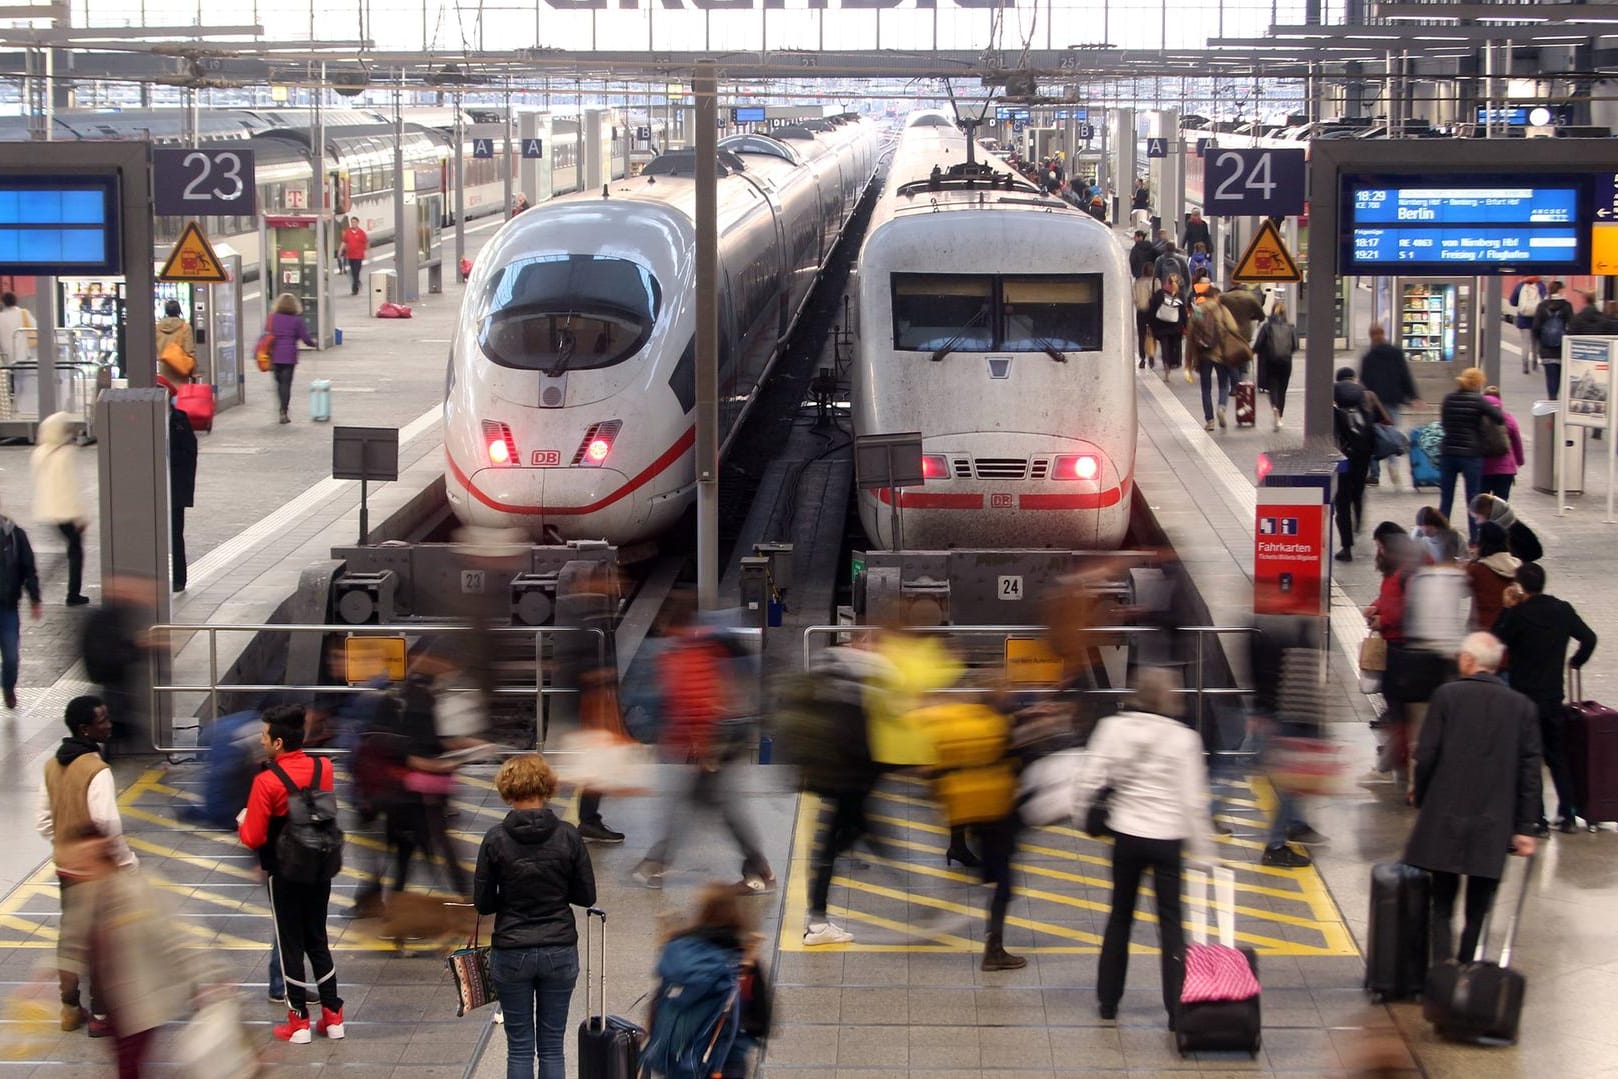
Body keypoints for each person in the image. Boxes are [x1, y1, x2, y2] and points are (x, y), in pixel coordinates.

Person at [1073, 669, 1216, 1025]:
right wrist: (1206, 854)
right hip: (1168, 840)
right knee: (1170, 924)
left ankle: (1108, 1001)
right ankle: (1175, 1008)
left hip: (1126, 836)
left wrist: (1083, 820)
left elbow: (1089, 780)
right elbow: (1192, 803)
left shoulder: (1113, 729)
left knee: (1120, 916)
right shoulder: (1184, 739)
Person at [1404, 632, 1540, 965]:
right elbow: (1530, 771)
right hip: (1494, 822)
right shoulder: (1522, 707)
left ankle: (1441, 972)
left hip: (1446, 815)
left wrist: (1421, 797)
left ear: (1468, 660)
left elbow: (1427, 756)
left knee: (1442, 902)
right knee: (1479, 907)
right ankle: (1466, 969)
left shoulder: (1447, 697)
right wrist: (1525, 828)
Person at [634, 598, 774, 893]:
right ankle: (757, 868)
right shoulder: (706, 645)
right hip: (722, 739)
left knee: (710, 806)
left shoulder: (685, 653)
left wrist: (702, 747)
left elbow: (696, 702)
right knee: (709, 804)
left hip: (713, 744)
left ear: (670, 626)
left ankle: (657, 863)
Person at [474, 754, 595, 1079]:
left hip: (512, 951)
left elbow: (483, 904)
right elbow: (587, 896)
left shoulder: (495, 838)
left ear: (507, 790)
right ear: (546, 788)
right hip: (559, 949)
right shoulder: (569, 835)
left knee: (520, 1047)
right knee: (553, 1045)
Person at [239, 703, 346, 1044]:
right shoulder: (323, 767)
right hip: (320, 865)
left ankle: (298, 1020)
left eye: (265, 736)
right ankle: (333, 1016)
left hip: (283, 870)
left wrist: (242, 823)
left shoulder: (266, 781)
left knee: (290, 944)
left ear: (279, 743)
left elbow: (254, 836)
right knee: (318, 939)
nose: (262, 740)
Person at [36, 696, 133, 1038]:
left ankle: (69, 1008)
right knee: (102, 942)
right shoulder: (96, 770)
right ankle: (103, 1015)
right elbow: (108, 825)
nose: (108, 724)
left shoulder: (51, 766)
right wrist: (127, 864)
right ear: (85, 729)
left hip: (66, 867)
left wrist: (64, 841)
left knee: (71, 937)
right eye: (102, 720)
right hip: (97, 872)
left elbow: (43, 821)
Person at [1492, 563, 1597, 834]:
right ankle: (1568, 815)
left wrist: (1506, 608)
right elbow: (1589, 638)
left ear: (1520, 586)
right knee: (1557, 756)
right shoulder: (1562, 609)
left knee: (1529, 758)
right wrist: (1576, 661)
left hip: (1524, 698)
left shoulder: (1518, 615)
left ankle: (1536, 820)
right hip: (1552, 697)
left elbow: (1494, 641)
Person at [644, 885, 774, 1079]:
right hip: (725, 1062)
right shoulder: (744, 960)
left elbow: (657, 1005)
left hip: (676, 1059)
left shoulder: (678, 952)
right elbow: (761, 1022)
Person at [1437, 367, 1504, 542]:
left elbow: (1444, 424)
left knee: (1446, 498)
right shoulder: (1479, 400)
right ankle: (1475, 538)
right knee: (1473, 498)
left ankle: (1442, 536)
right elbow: (1499, 417)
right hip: (1471, 454)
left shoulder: (1449, 399)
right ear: (1478, 383)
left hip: (1448, 452)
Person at [31, 411, 89, 606]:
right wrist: (80, 517)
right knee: (75, 552)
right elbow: (70, 486)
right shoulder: (66, 454)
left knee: (64, 553)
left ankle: (38, 586)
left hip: (47, 510)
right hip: (65, 511)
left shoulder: (40, 452)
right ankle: (73, 594)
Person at [1332, 368, 1390, 563]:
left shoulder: (1333, 407)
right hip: (1363, 454)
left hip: (1342, 457)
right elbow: (1385, 419)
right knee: (1358, 490)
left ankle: (1346, 547)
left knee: (1342, 501)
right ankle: (1359, 520)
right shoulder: (1367, 397)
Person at [1358, 324, 1419, 487]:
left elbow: (1364, 381)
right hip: (1393, 400)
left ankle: (1375, 474)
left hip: (1373, 403)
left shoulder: (1368, 356)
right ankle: (1392, 464)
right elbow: (1405, 375)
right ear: (1383, 334)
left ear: (1371, 336)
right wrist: (1413, 396)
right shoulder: (1396, 353)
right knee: (1391, 435)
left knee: (1373, 436)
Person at [0, 504, 41, 709]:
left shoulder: (14, 535)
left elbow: (28, 568)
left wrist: (35, 598)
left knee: (11, 655)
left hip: (7, 607)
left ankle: (8, 688)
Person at [1190, 284, 1238, 432]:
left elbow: (1191, 331)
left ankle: (1210, 421)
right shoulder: (1222, 310)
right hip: (1220, 354)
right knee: (1224, 384)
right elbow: (1233, 328)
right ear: (1216, 296)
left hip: (1204, 354)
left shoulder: (1198, 310)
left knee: (1206, 388)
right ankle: (1221, 408)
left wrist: (1190, 358)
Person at [268, 292, 316, 425]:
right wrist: (313, 344)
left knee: (279, 384)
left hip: (274, 355)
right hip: (289, 357)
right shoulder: (297, 319)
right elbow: (304, 337)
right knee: (286, 385)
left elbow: (268, 333)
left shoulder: (273, 317)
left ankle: (281, 407)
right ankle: (284, 410)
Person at [167, 390, 197, 593]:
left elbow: (189, 453)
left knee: (175, 535)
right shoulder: (145, 423)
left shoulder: (179, 421)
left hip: (175, 489)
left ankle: (179, 579)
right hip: (154, 489)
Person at [1465, 522, 1520, 632]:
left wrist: (1471, 561)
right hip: (1510, 627)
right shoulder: (1518, 567)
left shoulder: (1478, 569)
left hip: (1482, 628)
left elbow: (1462, 592)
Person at [1254, 301, 1297, 430]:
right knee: (1282, 390)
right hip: (1286, 362)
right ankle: (1280, 416)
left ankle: (1274, 407)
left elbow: (1258, 345)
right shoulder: (1290, 327)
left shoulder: (1267, 327)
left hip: (1270, 361)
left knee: (1273, 387)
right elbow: (1295, 346)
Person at [1468, 492, 1542, 563]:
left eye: (1477, 518)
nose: (1476, 522)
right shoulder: (1511, 524)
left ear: (1490, 515)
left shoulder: (1506, 534)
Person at [1480, 386, 1524, 502]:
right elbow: (1516, 440)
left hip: (1483, 469)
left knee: (1482, 505)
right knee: (1501, 504)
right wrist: (1519, 460)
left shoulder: (1477, 418)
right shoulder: (1508, 418)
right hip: (1505, 470)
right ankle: (1497, 520)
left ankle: (1486, 521)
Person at [1532, 280, 1574, 401]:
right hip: (1562, 348)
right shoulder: (1567, 306)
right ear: (1560, 290)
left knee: (1550, 377)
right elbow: (1572, 326)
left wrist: (1541, 341)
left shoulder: (1542, 306)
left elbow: (1535, 328)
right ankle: (1556, 399)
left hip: (1546, 349)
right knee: (1560, 376)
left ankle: (1552, 399)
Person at [1148, 275, 1186, 377]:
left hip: (1161, 325)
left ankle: (1166, 364)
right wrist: (1186, 325)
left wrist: (1151, 324)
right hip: (1175, 326)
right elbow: (1183, 312)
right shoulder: (1180, 295)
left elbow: (1152, 309)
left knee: (1164, 345)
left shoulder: (1159, 293)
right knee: (1173, 346)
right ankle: (1171, 362)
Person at [154, 299, 195, 384]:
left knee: (166, 393)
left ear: (166, 311)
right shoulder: (185, 328)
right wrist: (193, 370)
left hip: (164, 369)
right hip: (179, 369)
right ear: (179, 311)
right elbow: (189, 351)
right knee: (179, 394)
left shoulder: (157, 328)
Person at [1509, 276, 1544, 375]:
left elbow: (1512, 301)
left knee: (1525, 343)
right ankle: (1535, 363)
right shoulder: (1540, 285)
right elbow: (1545, 301)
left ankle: (1525, 366)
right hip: (1537, 319)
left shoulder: (1520, 286)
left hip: (1523, 319)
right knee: (1535, 343)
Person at [0, 291, 36, 366]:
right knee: (22, 374)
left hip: (6, 353)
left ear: (3, 302)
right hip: (22, 353)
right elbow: (35, 327)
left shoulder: (1, 317)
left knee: (8, 373)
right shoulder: (23, 313)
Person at [1133, 267, 1157, 369]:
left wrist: (1139, 303)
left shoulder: (1137, 283)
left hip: (1141, 311)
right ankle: (1151, 355)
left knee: (1141, 335)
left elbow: (1134, 298)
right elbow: (1159, 295)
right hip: (1152, 311)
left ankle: (1142, 359)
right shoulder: (1156, 281)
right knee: (1152, 334)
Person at [341, 216, 368, 296]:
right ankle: (357, 282)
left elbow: (366, 243)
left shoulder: (361, 233)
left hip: (358, 256)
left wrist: (367, 253)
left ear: (357, 223)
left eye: (354, 222)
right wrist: (340, 250)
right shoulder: (348, 232)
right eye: (352, 222)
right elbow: (344, 242)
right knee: (353, 273)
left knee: (356, 272)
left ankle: (355, 289)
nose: (353, 223)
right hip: (350, 256)